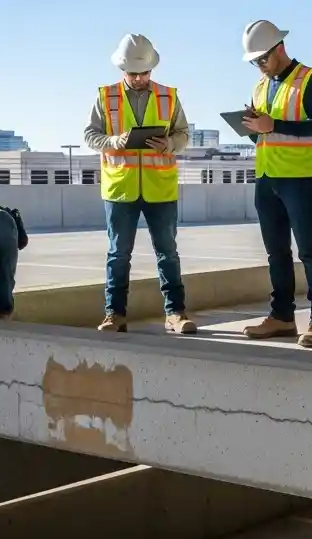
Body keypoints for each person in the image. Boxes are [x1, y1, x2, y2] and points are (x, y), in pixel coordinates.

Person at [83, 33, 195, 335]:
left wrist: (169, 144)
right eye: (133, 74)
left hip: (160, 187)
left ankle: (175, 314)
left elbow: (184, 134)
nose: (138, 78)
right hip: (121, 189)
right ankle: (114, 315)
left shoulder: (168, 96)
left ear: (151, 69)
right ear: (123, 70)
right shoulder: (106, 96)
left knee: (167, 252)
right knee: (118, 254)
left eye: (144, 73)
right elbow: (90, 135)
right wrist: (113, 141)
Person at [238, 20, 312, 349]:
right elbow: (264, 134)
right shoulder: (260, 87)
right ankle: (281, 317)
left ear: (279, 49)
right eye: (255, 62)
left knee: (310, 250)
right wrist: (254, 127)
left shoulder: (310, 80)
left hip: (300, 180)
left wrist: (272, 123)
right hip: (267, 178)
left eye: (262, 59)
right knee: (276, 252)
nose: (260, 66)